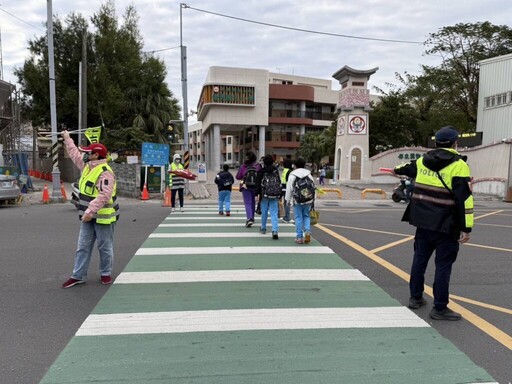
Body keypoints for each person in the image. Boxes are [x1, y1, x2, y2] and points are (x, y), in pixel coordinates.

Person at [394, 126, 474, 321]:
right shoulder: (459, 165)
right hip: (447, 225)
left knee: (419, 259)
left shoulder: (422, 161)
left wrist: (398, 170)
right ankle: (439, 308)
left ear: (436, 143)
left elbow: (400, 169)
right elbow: (465, 199)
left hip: (423, 222)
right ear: (456, 143)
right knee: (443, 265)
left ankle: (415, 298)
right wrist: (466, 228)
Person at [60, 130, 119, 288]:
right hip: (88, 216)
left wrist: (90, 211)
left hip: (103, 216)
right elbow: (74, 154)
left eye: (88, 153)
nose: (85, 154)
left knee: (104, 247)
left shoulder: (106, 173)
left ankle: (106, 273)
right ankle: (78, 275)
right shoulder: (87, 166)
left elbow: (104, 195)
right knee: (82, 247)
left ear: (96, 155)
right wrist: (67, 138)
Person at [285, 157, 315, 244]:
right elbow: (313, 187)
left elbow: (289, 189)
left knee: (298, 217)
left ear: (295, 165)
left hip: (297, 200)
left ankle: (299, 237)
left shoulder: (292, 175)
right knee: (306, 216)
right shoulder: (309, 175)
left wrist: (287, 200)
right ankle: (307, 232)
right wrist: (312, 199)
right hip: (308, 199)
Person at [256, 154, 281, 239]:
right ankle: (275, 230)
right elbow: (279, 182)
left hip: (264, 194)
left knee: (264, 212)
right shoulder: (275, 170)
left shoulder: (261, 171)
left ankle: (263, 228)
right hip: (274, 194)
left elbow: (258, 184)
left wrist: (257, 194)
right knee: (274, 213)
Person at [236, 151, 261, 227]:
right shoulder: (257, 166)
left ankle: (249, 218)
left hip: (246, 186)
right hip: (255, 187)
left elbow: (238, 177)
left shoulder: (243, 166)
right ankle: (252, 218)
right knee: (253, 202)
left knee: (247, 203)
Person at [281, 158, 293, 222]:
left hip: (283, 188)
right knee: (287, 203)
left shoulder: (284, 170)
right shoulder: (289, 171)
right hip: (287, 189)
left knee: (285, 203)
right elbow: (289, 181)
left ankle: (286, 216)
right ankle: (287, 217)